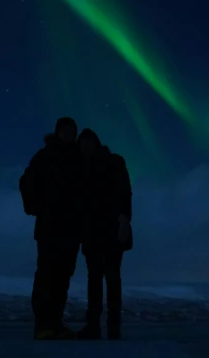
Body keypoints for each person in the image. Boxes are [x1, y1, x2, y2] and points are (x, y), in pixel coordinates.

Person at [19, 117, 82, 340]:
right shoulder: (45, 156)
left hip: (72, 228)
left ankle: (55, 323)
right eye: (65, 130)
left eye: (72, 131)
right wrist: (36, 207)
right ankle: (43, 325)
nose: (69, 134)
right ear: (58, 132)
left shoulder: (79, 158)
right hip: (50, 226)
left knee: (63, 276)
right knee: (47, 274)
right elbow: (26, 181)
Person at [75, 128, 133, 340]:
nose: (85, 147)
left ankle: (112, 326)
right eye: (82, 144)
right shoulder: (81, 168)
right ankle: (94, 326)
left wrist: (124, 219)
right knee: (96, 278)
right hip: (91, 231)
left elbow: (125, 191)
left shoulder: (114, 162)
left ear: (96, 144)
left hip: (110, 229)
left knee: (111, 277)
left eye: (88, 143)